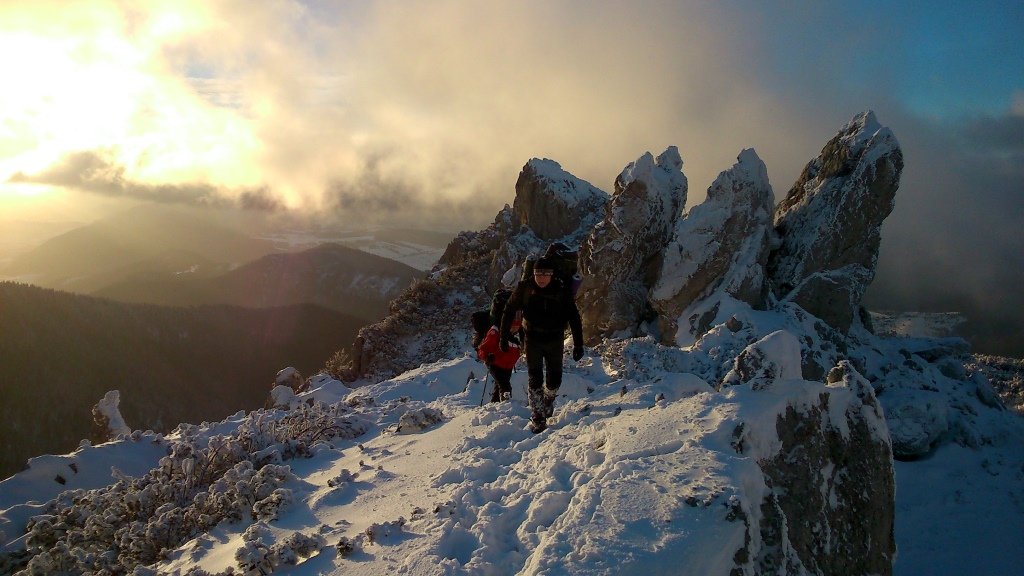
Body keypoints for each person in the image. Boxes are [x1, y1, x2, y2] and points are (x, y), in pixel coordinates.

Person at [500, 256, 584, 432]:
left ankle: (548, 399)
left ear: (552, 275)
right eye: (538, 273)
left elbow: (574, 317)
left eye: (545, 274)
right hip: (532, 340)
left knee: (554, 381)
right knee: (535, 379)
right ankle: (538, 418)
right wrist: (504, 336)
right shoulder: (525, 288)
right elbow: (509, 309)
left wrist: (578, 344)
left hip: (555, 340)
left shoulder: (561, 290)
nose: (541, 278)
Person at [476, 316, 522, 402]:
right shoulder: (496, 332)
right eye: (513, 327)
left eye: (517, 327)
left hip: (507, 367)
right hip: (495, 363)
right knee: (505, 386)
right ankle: (506, 404)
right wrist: (486, 357)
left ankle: (496, 406)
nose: (515, 329)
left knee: (500, 386)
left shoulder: (515, 336)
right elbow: (483, 348)